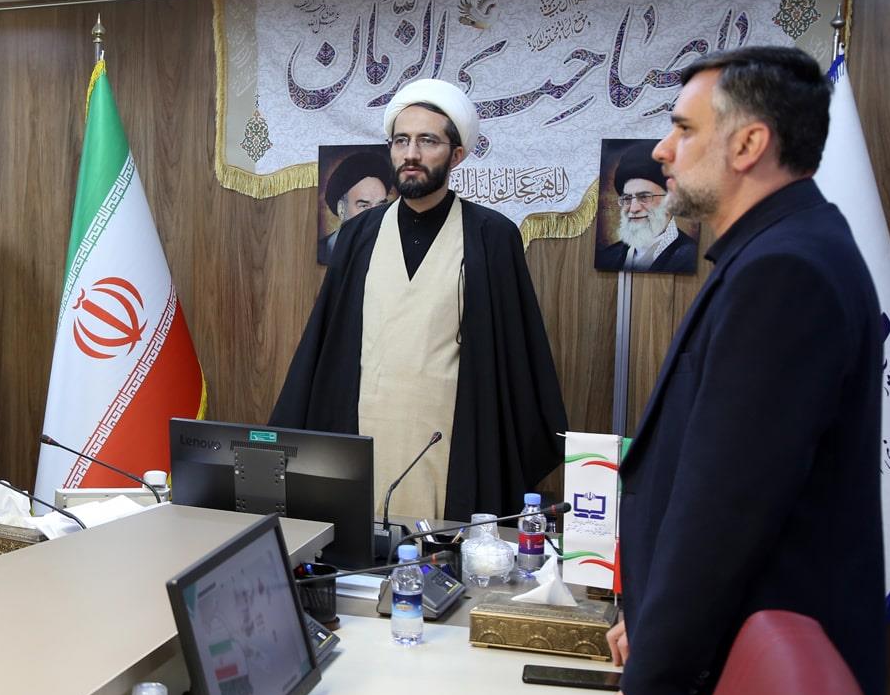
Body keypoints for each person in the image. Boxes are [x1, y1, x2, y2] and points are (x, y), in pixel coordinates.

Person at [602, 46, 887, 695]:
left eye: (683, 128)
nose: (663, 149)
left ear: (749, 143)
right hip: (735, 662)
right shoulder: (776, 249)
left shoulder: (785, 270)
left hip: (752, 684)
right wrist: (647, 616)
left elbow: (727, 505)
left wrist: (656, 672)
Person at [272, 78, 567, 521]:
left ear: (456, 154)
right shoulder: (358, 235)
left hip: (451, 436)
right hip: (363, 428)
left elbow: (516, 360)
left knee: (443, 546)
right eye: (401, 141)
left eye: (427, 141)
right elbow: (325, 349)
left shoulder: (492, 237)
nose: (411, 154)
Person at [595, 143, 698, 273]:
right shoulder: (608, 256)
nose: (633, 209)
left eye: (644, 197)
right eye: (627, 198)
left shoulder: (690, 257)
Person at [317, 150, 396, 264]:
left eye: (381, 206)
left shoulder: (391, 252)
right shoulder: (320, 253)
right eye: (364, 206)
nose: (375, 216)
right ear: (342, 210)